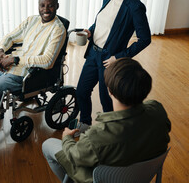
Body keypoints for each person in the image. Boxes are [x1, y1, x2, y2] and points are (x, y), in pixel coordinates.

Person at [42, 58, 171, 183]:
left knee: (48, 144)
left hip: (102, 178)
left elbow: (75, 156)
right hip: (144, 175)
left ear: (109, 91)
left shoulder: (98, 135)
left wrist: (67, 138)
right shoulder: (157, 109)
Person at [75, 0, 152, 135]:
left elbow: (145, 39)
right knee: (81, 91)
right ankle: (85, 123)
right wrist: (90, 31)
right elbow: (101, 22)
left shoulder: (135, 7)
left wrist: (119, 57)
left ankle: (111, 134)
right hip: (94, 53)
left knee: (106, 100)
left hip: (110, 59)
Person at [0, 0, 67, 116]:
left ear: (57, 6)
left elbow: (48, 61)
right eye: (42, 5)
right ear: (38, 6)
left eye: (50, 5)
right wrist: (0, 52)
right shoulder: (32, 20)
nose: (46, 9)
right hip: (5, 65)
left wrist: (15, 60)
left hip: (22, 76)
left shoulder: (58, 30)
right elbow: (11, 37)